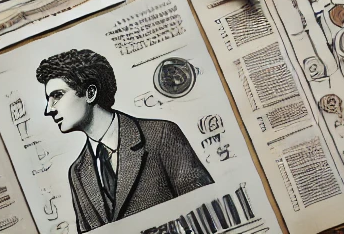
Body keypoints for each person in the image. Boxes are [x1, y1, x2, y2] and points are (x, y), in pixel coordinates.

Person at [37, 48, 214, 231]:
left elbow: (208, 209)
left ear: (90, 93)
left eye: (57, 96)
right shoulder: (78, 172)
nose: (49, 109)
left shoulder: (161, 135)